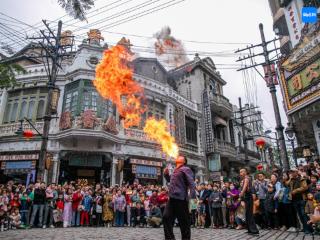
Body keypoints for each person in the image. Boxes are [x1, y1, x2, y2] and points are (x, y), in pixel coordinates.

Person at [163, 155, 196, 240]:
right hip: (172, 198)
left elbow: (192, 185)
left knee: (184, 223)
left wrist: (193, 204)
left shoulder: (186, 169)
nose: (178, 157)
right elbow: (170, 181)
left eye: (180, 157)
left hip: (181, 199)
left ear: (184, 161)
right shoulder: (175, 170)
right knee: (166, 217)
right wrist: (166, 174)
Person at [239, 168, 259, 235]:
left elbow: (245, 187)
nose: (240, 173)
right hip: (246, 198)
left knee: (249, 214)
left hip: (248, 197)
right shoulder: (244, 179)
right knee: (247, 214)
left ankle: (254, 230)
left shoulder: (246, 178)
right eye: (240, 172)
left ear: (245, 172)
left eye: (241, 172)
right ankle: (250, 229)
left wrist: (241, 193)